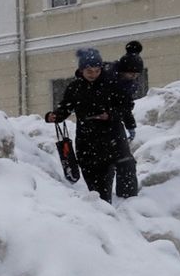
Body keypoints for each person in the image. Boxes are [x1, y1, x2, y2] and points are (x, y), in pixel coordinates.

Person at [45, 47, 135, 203]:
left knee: (116, 176)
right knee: (95, 189)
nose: (93, 74)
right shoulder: (75, 87)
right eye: (89, 71)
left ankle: (123, 210)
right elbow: (66, 107)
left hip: (111, 139)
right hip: (87, 142)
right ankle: (102, 214)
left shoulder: (111, 84)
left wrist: (110, 115)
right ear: (81, 70)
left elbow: (126, 106)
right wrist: (54, 116)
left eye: (96, 70)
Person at [112, 41, 147, 199]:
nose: (134, 77)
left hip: (115, 123)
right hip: (101, 126)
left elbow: (125, 106)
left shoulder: (128, 84)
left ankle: (129, 198)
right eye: (131, 73)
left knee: (126, 161)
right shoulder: (110, 80)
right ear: (122, 71)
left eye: (137, 74)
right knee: (110, 164)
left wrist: (130, 124)